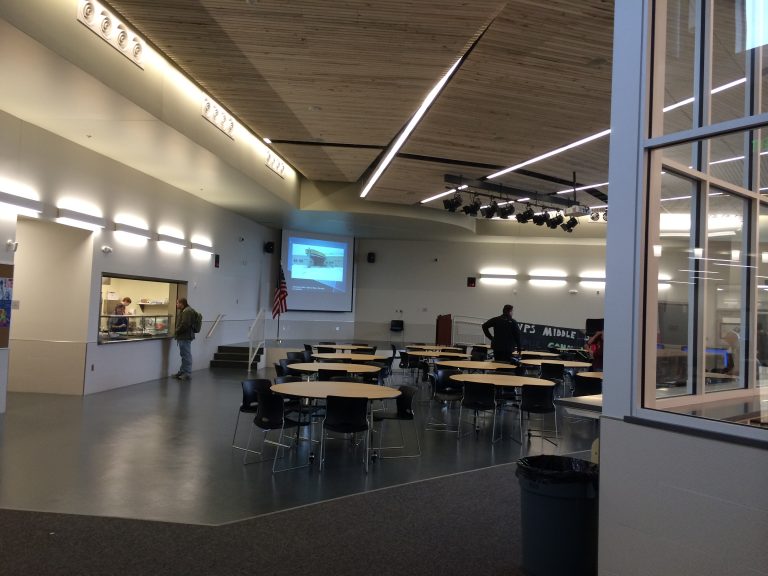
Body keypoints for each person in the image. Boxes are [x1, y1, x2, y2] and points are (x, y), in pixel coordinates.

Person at [173, 298, 195, 380]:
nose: (176, 305)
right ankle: (182, 371)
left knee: (186, 355)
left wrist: (177, 331)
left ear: (181, 304)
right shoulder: (184, 310)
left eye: (177, 303)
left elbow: (185, 324)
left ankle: (187, 373)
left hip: (185, 337)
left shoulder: (187, 311)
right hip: (183, 336)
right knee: (184, 355)